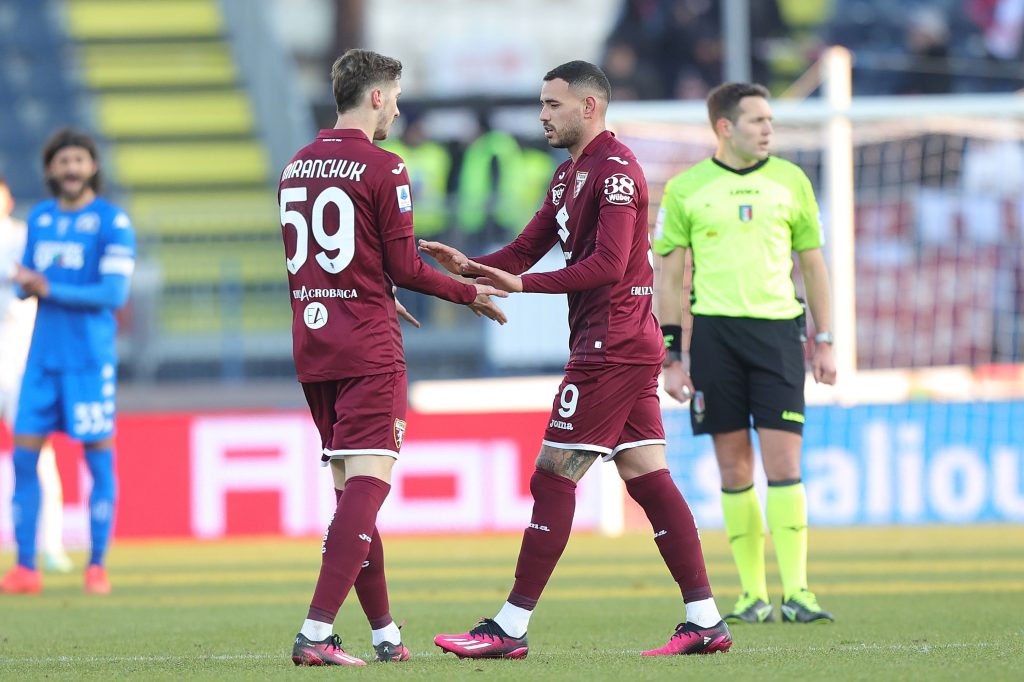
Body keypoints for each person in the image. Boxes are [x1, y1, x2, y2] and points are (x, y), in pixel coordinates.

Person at [422, 60, 732, 658]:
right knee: (647, 476)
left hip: (610, 344)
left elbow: (609, 266)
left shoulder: (616, 169)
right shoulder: (569, 177)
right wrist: (471, 265)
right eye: (540, 105)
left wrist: (522, 287)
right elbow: (524, 248)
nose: (541, 115)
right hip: (617, 339)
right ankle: (705, 618)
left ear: (588, 107)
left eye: (551, 105)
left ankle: (510, 625)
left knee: (552, 475)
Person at [280, 48, 507, 667]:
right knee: (368, 489)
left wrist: (376, 292)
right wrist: (468, 293)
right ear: (376, 96)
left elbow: (318, 263)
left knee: (352, 493)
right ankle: (318, 633)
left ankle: (384, 634)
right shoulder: (386, 166)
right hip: (368, 347)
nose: (399, 108)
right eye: (397, 96)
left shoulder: (296, 166)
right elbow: (405, 266)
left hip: (316, 342)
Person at [653, 82, 837, 625]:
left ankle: (799, 592)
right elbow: (669, 275)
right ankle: (752, 596)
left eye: (770, 121)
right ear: (725, 127)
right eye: (757, 120)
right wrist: (671, 354)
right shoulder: (687, 189)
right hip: (714, 337)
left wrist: (823, 339)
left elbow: (813, 265)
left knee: (785, 463)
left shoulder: (791, 181)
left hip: (779, 335)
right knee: (733, 468)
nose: (768, 130)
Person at [0, 130, 135, 596]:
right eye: (63, 161)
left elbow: (113, 294)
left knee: (97, 463)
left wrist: (47, 288)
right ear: (51, 171)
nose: (72, 168)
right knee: (23, 461)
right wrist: (23, 283)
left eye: (79, 159)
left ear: (92, 167)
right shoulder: (39, 219)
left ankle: (96, 566)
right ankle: (25, 568)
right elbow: (27, 284)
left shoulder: (112, 222)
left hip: (88, 363)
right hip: (39, 361)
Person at [0, 176, 74, 577]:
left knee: (37, 456)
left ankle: (52, 546)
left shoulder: (26, 235)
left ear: (7, 198)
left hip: (19, 360)